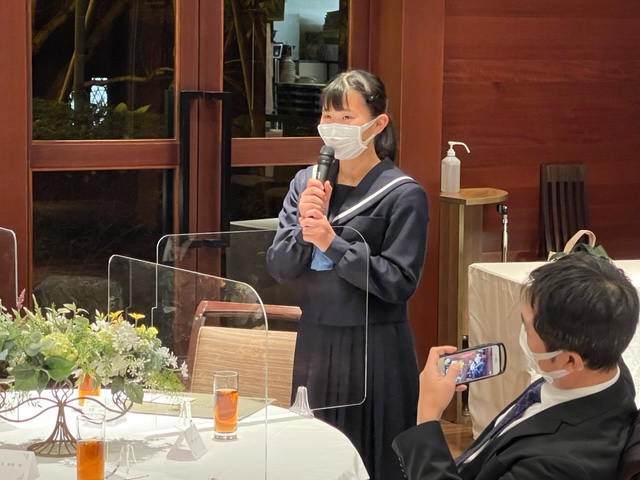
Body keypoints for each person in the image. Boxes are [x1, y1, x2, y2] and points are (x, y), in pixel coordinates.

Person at [266, 69, 429, 480]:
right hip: (316, 342)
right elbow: (279, 267)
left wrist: (331, 242)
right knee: (315, 456)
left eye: (346, 117)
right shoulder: (307, 183)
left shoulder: (403, 194)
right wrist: (305, 228)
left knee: (373, 457)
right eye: (327, 116)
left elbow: (399, 281)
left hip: (375, 347)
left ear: (377, 124)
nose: (333, 126)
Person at [392, 252, 639, 480]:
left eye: (527, 328)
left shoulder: (557, 465)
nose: (521, 333)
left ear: (570, 361)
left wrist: (428, 417)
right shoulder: (605, 365)